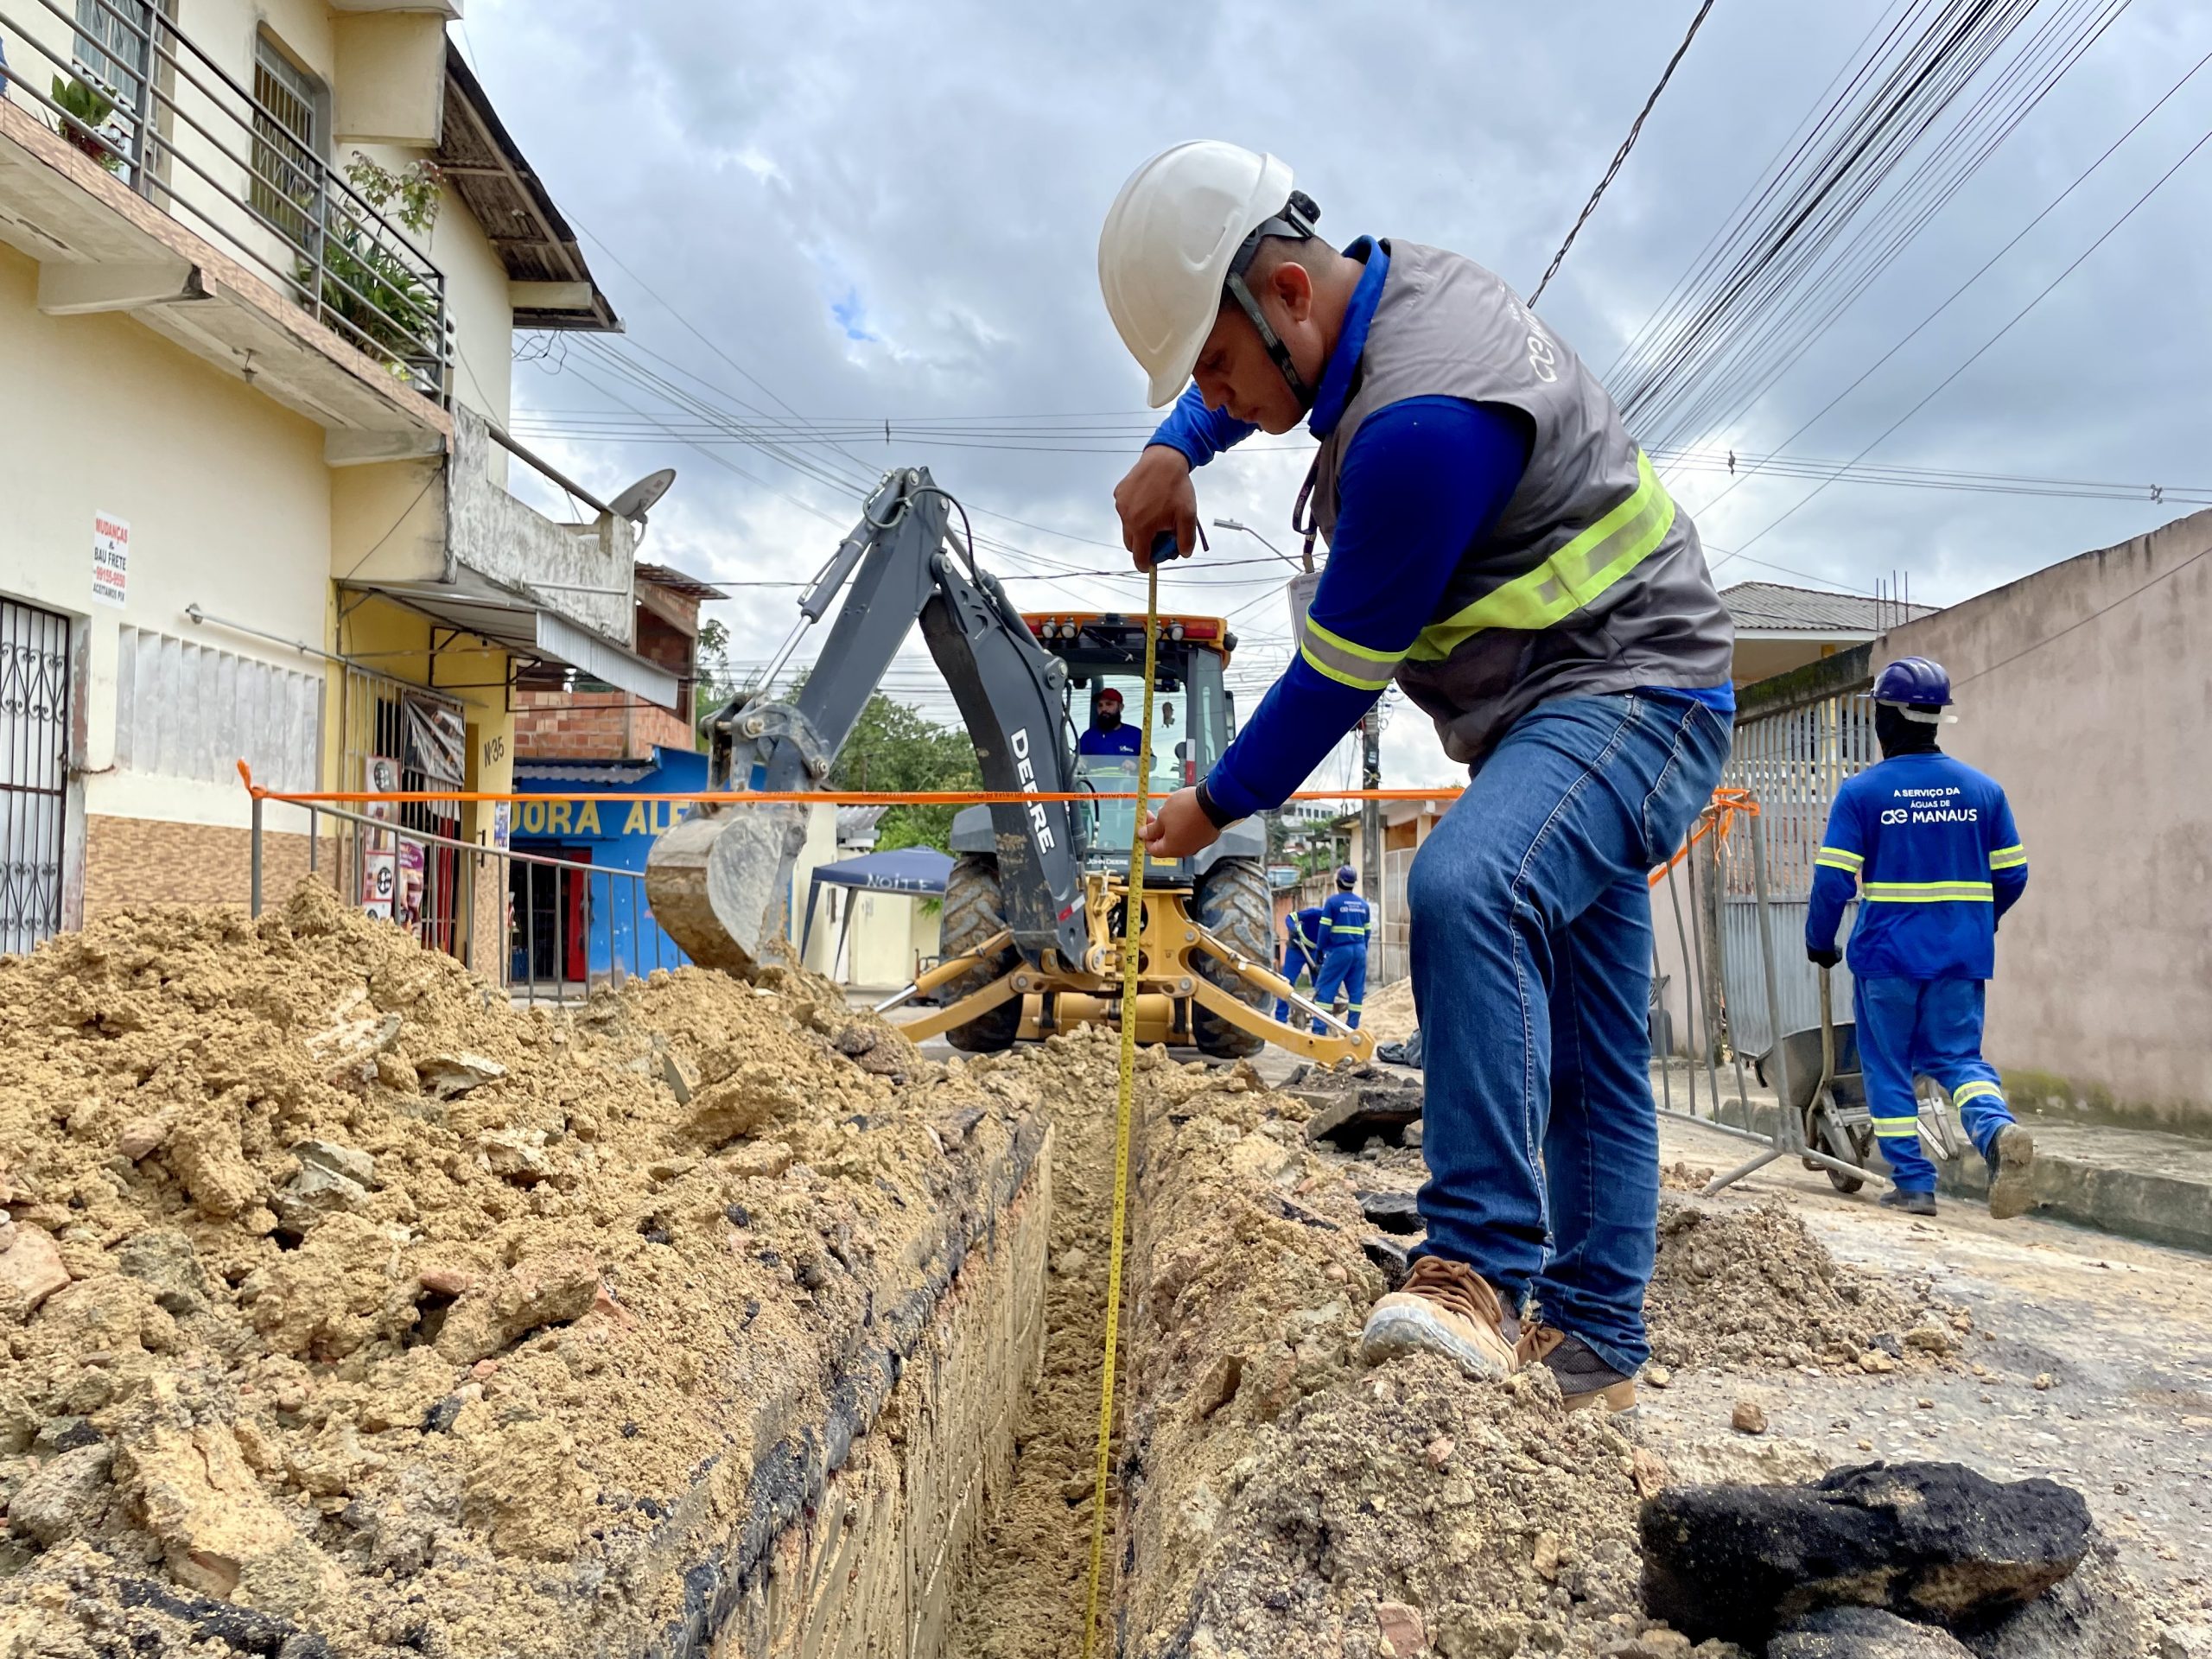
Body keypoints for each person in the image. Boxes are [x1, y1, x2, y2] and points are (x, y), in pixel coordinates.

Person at [1100, 142, 1734, 1414]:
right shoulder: (1382, 297)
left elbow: (1333, 684)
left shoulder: (1419, 432)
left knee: (1467, 888)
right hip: (1574, 705)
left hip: (1632, 692)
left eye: (1215, 365)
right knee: (1594, 1047)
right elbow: (1259, 372)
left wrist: (1212, 805)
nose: (1221, 393)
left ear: (1284, 291)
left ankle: (1478, 1268)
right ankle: (1598, 1344)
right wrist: (1179, 442)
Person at [1805, 657, 2036, 1220]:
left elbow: (1834, 880)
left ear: (1885, 718)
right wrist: (1981, 920)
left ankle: (1914, 1184)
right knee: (1959, 1059)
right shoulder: (1985, 791)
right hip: (1962, 954)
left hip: (1888, 957)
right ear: (1935, 720)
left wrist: (1820, 940)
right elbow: (2013, 875)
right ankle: (1996, 1131)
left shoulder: (1862, 793)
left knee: (1887, 1065)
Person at [1310, 866, 1371, 1033]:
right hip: (1359, 951)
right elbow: (1367, 932)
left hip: (1339, 950)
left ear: (1337, 882)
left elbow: (1324, 930)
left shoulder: (1332, 902)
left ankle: (1320, 1030)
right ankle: (1351, 1030)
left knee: (1326, 989)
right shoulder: (1363, 905)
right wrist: (1362, 951)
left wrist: (1319, 951)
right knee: (1356, 993)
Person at [1275, 902, 1323, 1021]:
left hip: (1315, 951)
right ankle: (1281, 1019)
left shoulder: (1336, 923)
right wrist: (1293, 928)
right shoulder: (1315, 913)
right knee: (1286, 982)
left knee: (1320, 984)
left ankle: (1321, 1021)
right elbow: (1291, 917)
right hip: (1297, 947)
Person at [1077, 686, 1142, 761]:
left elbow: (1151, 763)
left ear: (1121, 707)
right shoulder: (1088, 737)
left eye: (1109, 704)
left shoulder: (1136, 735)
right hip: (1096, 773)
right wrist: (1079, 763)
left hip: (1128, 773)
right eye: (1100, 705)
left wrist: (1135, 765)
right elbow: (1075, 762)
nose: (1103, 709)